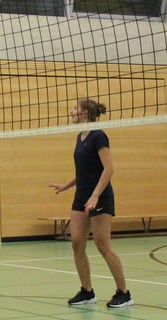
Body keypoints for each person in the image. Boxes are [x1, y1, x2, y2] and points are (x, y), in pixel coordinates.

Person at [48, 98, 133, 308]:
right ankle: (87, 291)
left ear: (85, 113)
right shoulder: (80, 137)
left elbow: (108, 169)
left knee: (102, 245)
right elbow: (84, 171)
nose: (71, 111)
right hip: (81, 195)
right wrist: (66, 185)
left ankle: (124, 293)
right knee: (77, 243)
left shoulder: (98, 136)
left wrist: (95, 195)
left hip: (100, 195)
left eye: (75, 108)